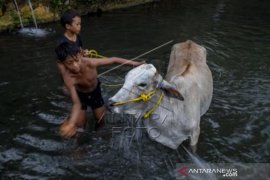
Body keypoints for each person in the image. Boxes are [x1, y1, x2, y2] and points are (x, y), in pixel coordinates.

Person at [55, 42, 144, 138]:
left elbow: (113, 60)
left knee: (101, 120)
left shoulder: (90, 62)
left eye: (77, 60)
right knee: (80, 127)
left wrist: (136, 64)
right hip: (81, 96)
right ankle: (78, 148)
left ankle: (97, 137)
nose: (75, 65)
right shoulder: (69, 78)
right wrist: (71, 124)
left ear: (80, 54)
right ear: (62, 63)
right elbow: (76, 103)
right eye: (70, 63)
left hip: (95, 93)